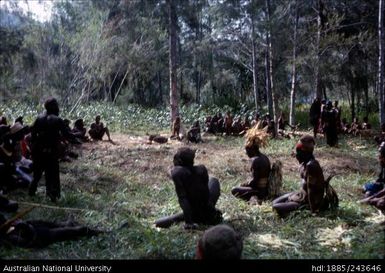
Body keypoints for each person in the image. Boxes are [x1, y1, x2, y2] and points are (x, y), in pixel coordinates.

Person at [155, 147, 222, 229]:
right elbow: (206, 195)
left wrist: (188, 222)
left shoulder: (177, 173)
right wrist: (211, 209)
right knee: (213, 181)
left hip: (193, 213)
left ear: (179, 161)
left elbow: (183, 199)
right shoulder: (202, 169)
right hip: (207, 207)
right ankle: (208, 212)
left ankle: (192, 218)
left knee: (158, 223)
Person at [272, 135, 338, 217]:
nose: (296, 154)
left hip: (308, 201)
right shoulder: (305, 163)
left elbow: (311, 191)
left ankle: (305, 208)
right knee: (274, 202)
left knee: (276, 206)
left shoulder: (311, 166)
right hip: (301, 195)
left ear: (305, 153)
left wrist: (313, 210)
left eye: (298, 152)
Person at [28, 97, 76, 202]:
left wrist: (36, 146)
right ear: (54, 107)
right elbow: (67, 135)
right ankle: (52, 195)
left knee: (37, 174)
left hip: (39, 151)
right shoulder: (58, 120)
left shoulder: (39, 118)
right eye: (57, 106)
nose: (58, 108)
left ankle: (31, 192)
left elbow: (32, 135)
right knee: (52, 174)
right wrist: (75, 137)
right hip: (51, 152)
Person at [0, 213, 102, 248]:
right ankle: (100, 233)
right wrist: (25, 227)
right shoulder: (9, 238)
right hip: (44, 236)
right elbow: (29, 242)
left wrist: (22, 223)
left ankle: (64, 225)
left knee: (63, 225)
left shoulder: (8, 226)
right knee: (80, 229)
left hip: (40, 227)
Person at [231, 126, 271, 203]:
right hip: (266, 190)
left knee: (234, 190)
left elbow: (254, 182)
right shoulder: (265, 157)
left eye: (247, 151)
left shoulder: (255, 160)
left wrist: (244, 185)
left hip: (259, 191)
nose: (246, 153)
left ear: (252, 149)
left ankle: (255, 198)